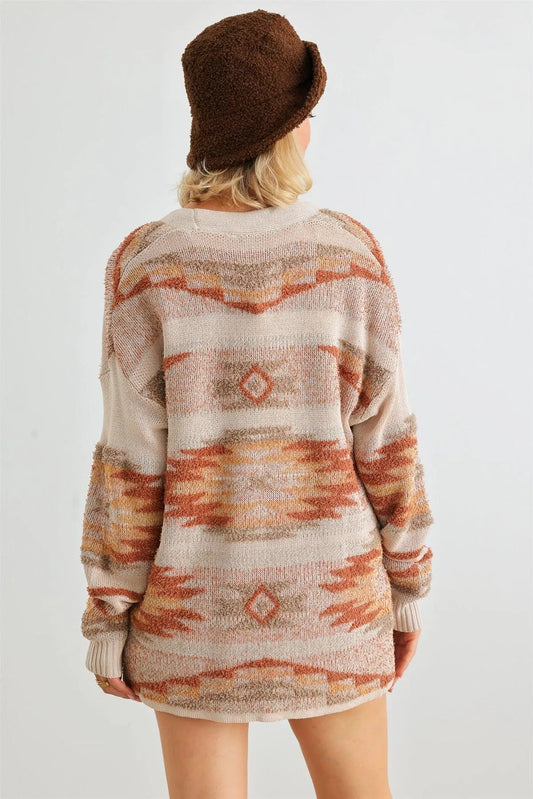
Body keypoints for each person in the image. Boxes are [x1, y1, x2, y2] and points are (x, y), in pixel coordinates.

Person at [79, 9, 435, 799]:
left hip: (192, 618)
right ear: (287, 130)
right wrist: (406, 589)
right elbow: (389, 447)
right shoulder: (349, 254)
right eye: (305, 113)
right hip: (335, 607)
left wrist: (110, 615)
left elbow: (127, 467)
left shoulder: (146, 264)